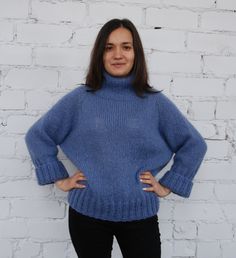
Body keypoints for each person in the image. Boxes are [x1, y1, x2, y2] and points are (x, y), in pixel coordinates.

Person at [25, 18, 207, 258]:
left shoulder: (154, 103)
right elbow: (38, 135)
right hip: (87, 214)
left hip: (139, 215)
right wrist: (60, 179)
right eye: (109, 48)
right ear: (100, 54)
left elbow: (194, 144)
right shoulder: (81, 98)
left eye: (126, 47)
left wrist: (167, 186)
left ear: (136, 53)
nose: (118, 55)